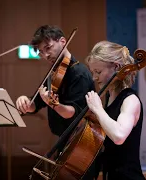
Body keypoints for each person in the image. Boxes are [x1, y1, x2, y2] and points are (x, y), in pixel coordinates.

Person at [15, 25, 98, 179]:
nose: (46, 55)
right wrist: (25, 101)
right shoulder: (54, 73)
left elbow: (74, 113)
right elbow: (36, 104)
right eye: (41, 52)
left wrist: (54, 105)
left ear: (63, 41)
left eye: (48, 48)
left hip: (81, 143)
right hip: (64, 140)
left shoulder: (79, 73)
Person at [84, 40, 146, 180]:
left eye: (98, 72)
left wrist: (98, 110)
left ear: (117, 67)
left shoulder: (130, 100)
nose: (94, 77)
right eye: (93, 72)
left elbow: (119, 136)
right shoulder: (108, 97)